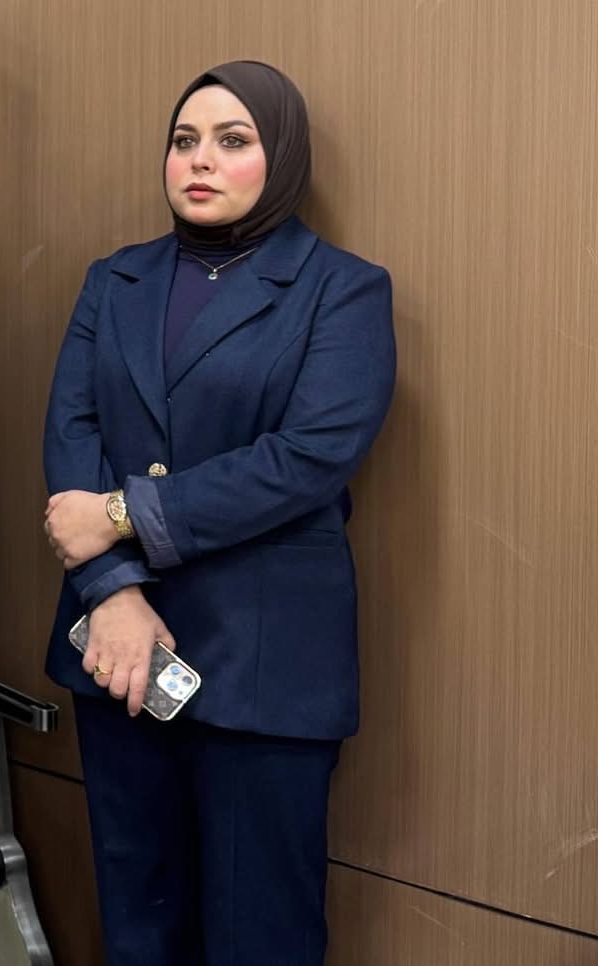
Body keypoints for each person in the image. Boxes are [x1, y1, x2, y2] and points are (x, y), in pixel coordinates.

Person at [40, 60, 396, 965]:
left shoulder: (343, 290)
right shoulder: (114, 281)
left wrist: (124, 513)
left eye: (233, 141)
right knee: (139, 927)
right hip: (119, 656)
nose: (199, 160)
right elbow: (73, 436)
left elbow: (306, 459)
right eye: (184, 140)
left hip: (266, 668)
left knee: (259, 938)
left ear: (282, 160)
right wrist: (113, 594)